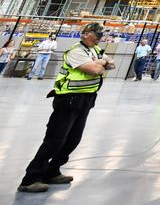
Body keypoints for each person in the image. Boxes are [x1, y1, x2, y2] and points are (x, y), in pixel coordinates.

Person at [18, 22, 114, 193]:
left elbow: (111, 64)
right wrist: (101, 63)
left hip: (86, 99)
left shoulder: (95, 50)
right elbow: (93, 69)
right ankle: (30, 178)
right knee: (55, 140)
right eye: (97, 34)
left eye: (101, 34)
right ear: (86, 34)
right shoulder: (76, 51)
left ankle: (52, 171)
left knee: (73, 139)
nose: (99, 38)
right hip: (69, 99)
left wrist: (101, 62)